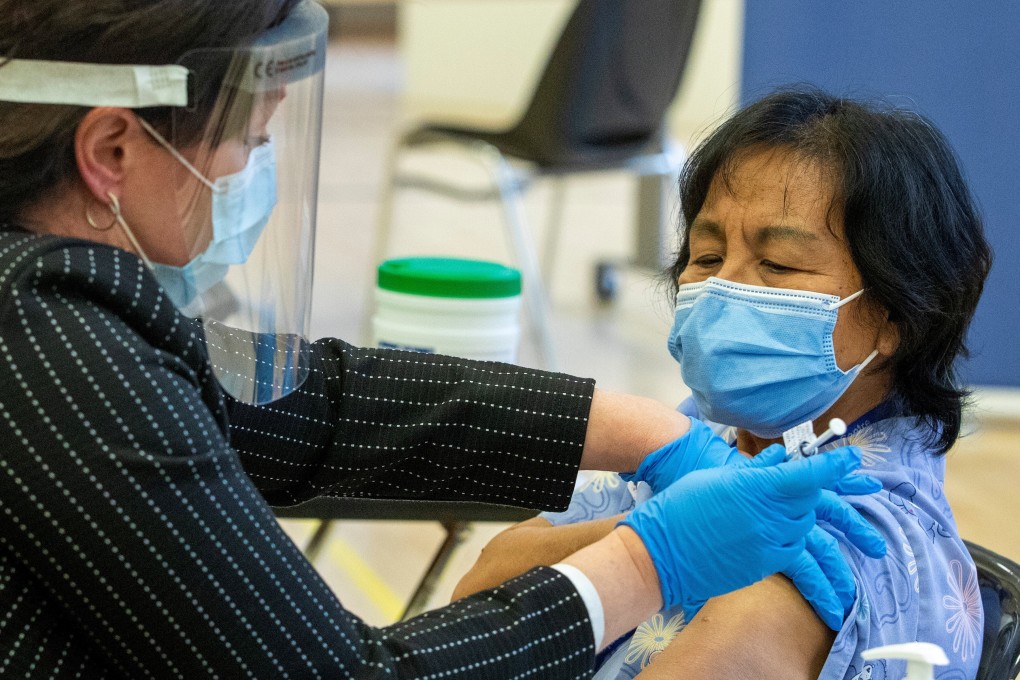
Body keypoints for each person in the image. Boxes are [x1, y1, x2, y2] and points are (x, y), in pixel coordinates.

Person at [0, 2, 889, 678]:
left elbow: (303, 399)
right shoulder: (57, 350)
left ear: (896, 314)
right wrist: (649, 560)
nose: (250, 171)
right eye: (247, 139)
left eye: (781, 267)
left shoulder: (66, 301)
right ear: (111, 150)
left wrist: (654, 435)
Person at [455, 88, 993, 680]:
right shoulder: (704, 441)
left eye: (779, 265)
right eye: (707, 257)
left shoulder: (847, 543)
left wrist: (657, 542)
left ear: (897, 313)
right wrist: (664, 536)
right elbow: (481, 594)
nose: (723, 288)